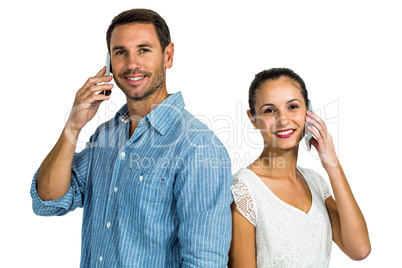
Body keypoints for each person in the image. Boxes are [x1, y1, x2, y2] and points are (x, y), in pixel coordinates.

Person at [30, 8, 232, 267]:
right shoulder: (105, 136)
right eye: (120, 52)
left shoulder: (198, 146)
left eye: (144, 50)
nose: (132, 64)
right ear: (109, 62)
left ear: (168, 56)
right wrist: (74, 125)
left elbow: (205, 262)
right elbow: (49, 201)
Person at [229, 68, 371, 267]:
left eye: (293, 106)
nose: (283, 119)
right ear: (253, 119)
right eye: (269, 110)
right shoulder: (243, 189)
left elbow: (360, 249)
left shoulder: (315, 182)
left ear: (308, 111)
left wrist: (332, 165)